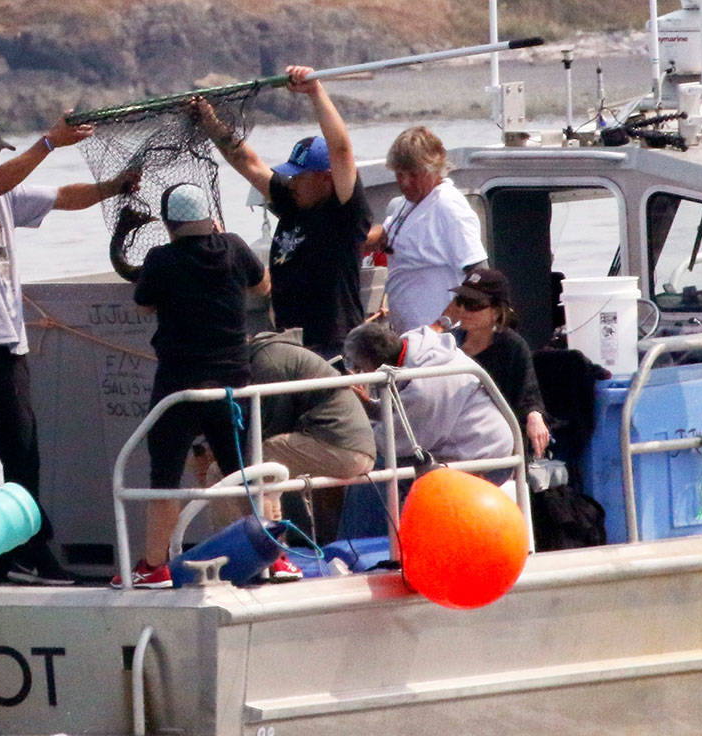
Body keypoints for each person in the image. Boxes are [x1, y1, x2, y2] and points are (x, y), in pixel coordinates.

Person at [0, 109, 138, 585]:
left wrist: (115, 186)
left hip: (11, 343)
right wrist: (48, 143)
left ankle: (29, 549)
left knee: (25, 454)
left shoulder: (3, 191)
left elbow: (64, 197)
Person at [122, 183, 270, 589]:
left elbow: (144, 303)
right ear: (210, 217)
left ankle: (153, 566)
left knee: (166, 477)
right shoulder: (235, 248)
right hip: (233, 384)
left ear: (171, 225)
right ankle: (274, 551)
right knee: (248, 469)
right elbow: (263, 287)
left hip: (180, 386)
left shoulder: (162, 259)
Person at [195, 65, 372, 358]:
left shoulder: (345, 213)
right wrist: (209, 122)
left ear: (326, 178)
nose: (292, 182)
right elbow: (246, 161)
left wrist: (315, 91)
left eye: (301, 176)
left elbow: (341, 150)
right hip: (289, 344)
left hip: (333, 346)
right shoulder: (293, 202)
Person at [208, 329, 377, 547]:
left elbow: (272, 427)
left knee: (254, 466)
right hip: (348, 445)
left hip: (341, 447)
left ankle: (256, 550)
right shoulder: (273, 354)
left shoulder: (267, 363)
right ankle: (264, 546)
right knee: (242, 469)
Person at [342, 321, 513, 475]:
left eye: (360, 368)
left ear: (375, 364)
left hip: (484, 460)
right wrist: (368, 405)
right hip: (473, 446)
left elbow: (390, 444)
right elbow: (405, 413)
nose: (361, 373)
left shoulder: (424, 388)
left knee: (370, 465)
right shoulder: (420, 347)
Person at [366, 126, 488, 334]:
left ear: (434, 168)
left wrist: (443, 323)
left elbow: (480, 275)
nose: (405, 183)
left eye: (413, 175)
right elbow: (386, 235)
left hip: (440, 339)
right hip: (409, 335)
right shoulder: (408, 203)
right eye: (399, 174)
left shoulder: (447, 205)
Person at [448, 269, 551, 457]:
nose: (463, 310)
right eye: (460, 301)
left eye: (473, 304)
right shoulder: (449, 343)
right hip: (450, 438)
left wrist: (535, 416)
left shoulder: (513, 347)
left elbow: (528, 395)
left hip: (496, 445)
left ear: (496, 312)